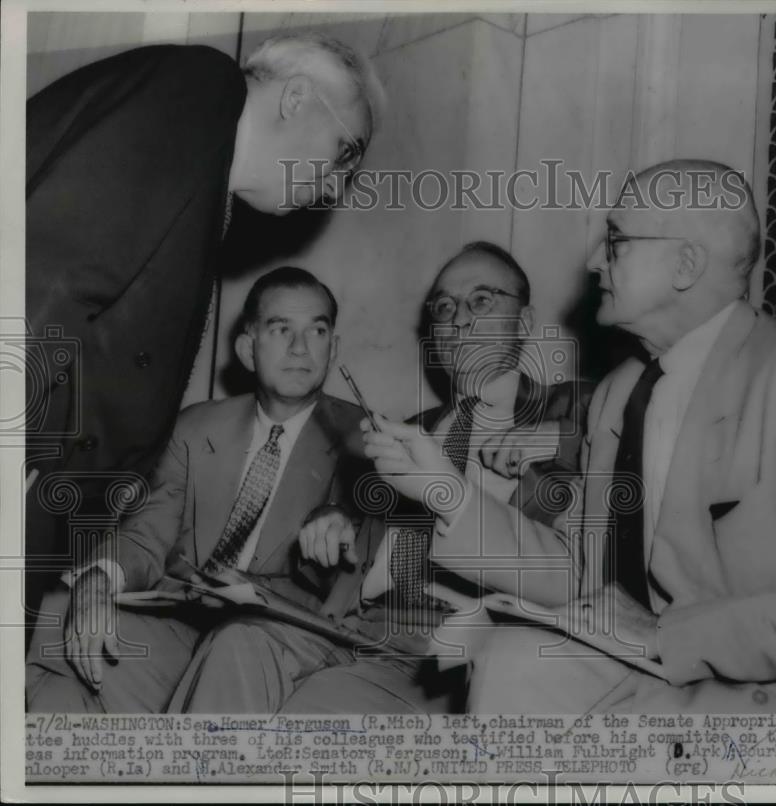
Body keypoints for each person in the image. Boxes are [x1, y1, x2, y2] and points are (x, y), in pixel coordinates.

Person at [363, 161, 776, 713]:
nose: (593, 262)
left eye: (615, 242)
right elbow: (579, 572)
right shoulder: (618, 392)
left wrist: (668, 636)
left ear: (685, 264)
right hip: (635, 666)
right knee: (509, 658)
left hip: (757, 689)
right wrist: (443, 490)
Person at [24, 33, 383, 618]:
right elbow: (47, 272)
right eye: (346, 152)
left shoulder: (204, 170)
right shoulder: (201, 86)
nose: (339, 184)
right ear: (296, 99)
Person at [169, 242, 593, 714]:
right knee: (236, 646)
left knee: (315, 712)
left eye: (481, 301)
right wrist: (333, 525)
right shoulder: (408, 431)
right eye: (444, 307)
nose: (458, 320)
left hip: (458, 650)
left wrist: (556, 436)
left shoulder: (578, 409)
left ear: (526, 322)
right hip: (357, 627)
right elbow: (337, 561)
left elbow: (641, 431)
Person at [26, 267, 367, 713]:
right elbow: (148, 531)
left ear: (333, 347)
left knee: (233, 646)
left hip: (283, 635)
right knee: (52, 626)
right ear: (248, 349)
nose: (300, 348)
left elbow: (363, 541)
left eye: (316, 330)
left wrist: (338, 522)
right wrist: (98, 579)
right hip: (186, 619)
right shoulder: (195, 426)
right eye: (281, 328)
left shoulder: (365, 438)